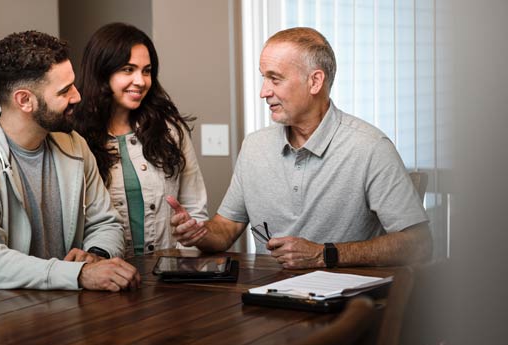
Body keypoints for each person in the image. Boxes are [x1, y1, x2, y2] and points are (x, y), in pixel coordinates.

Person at [169, 27, 431, 269]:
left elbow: (419, 244)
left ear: (315, 81)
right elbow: (225, 230)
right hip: (267, 300)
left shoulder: (371, 147)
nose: (263, 92)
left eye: (275, 79)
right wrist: (200, 233)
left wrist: (325, 254)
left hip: (346, 307)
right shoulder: (254, 146)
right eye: (264, 78)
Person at [0, 30, 141, 306]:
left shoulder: (75, 145)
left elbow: (106, 222)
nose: (78, 97)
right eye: (65, 91)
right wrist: (77, 274)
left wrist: (95, 254)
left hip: (59, 315)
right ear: (24, 100)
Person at [74, 23, 207, 257]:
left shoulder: (170, 130)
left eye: (146, 71)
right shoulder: (72, 138)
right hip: (105, 277)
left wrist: (187, 250)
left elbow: (195, 208)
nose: (141, 81)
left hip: (168, 276)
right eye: (128, 69)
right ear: (102, 72)